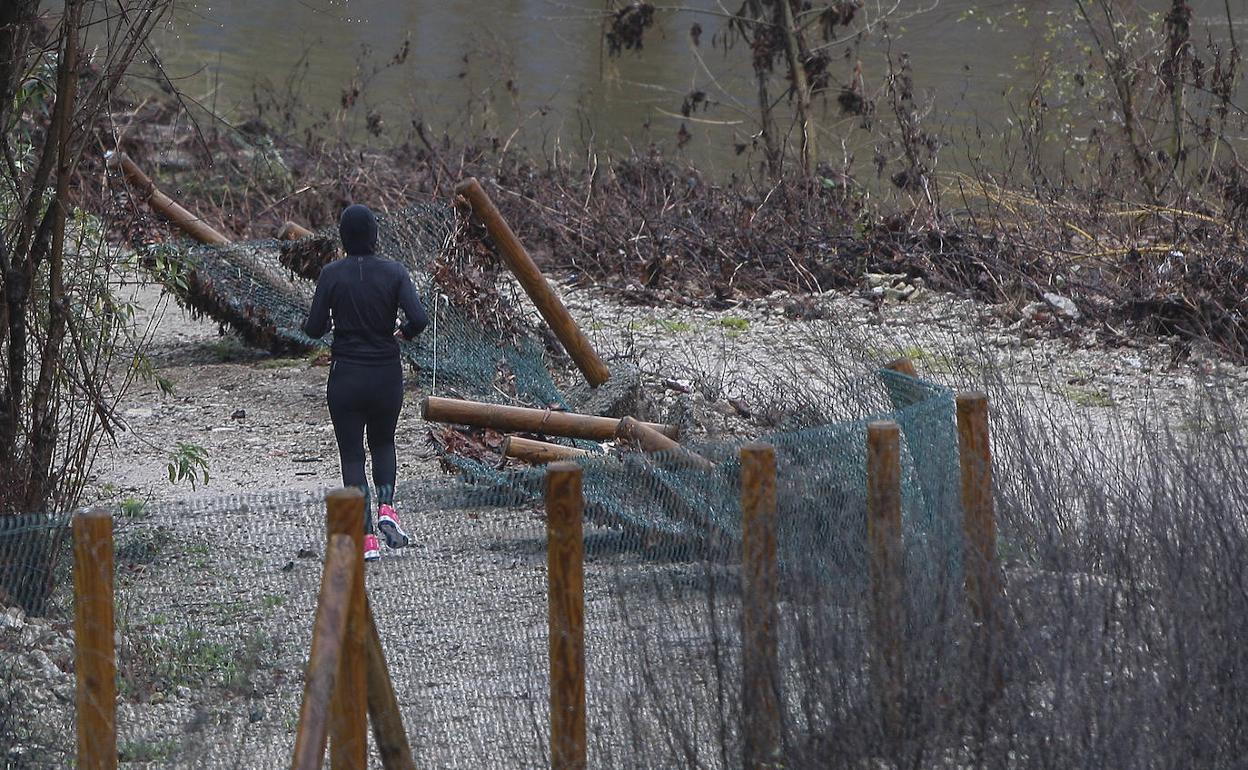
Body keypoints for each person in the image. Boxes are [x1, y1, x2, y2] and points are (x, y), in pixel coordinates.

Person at [303, 204, 428, 562]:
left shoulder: (331, 274)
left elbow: (312, 328)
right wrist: (401, 332)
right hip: (386, 374)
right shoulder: (395, 272)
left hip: (346, 376)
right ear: (375, 235)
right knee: (384, 443)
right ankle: (388, 506)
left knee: (353, 455)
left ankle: (367, 538)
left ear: (342, 238)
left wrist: (330, 326)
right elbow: (418, 318)